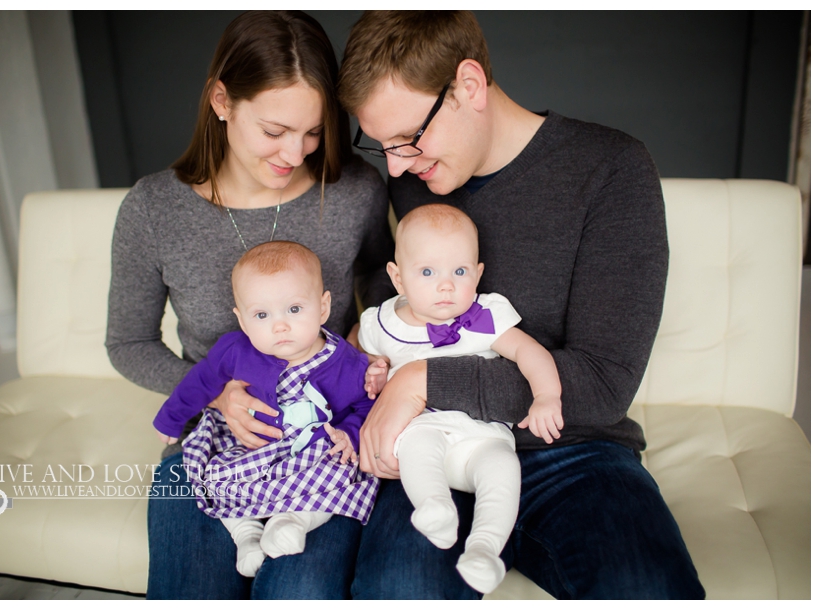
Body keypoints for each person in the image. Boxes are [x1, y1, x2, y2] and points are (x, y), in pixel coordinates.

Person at [338, 10, 705, 599]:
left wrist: (422, 380)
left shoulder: (612, 170)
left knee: (645, 588)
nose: (399, 165)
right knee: (396, 588)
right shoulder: (416, 180)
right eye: (382, 147)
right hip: (435, 443)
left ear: (469, 86)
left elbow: (605, 382)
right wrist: (379, 374)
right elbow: (390, 312)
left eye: (408, 139)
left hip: (573, 448)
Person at [106, 11, 394, 599]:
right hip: (213, 436)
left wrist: (365, 353)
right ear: (221, 101)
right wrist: (213, 391)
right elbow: (127, 343)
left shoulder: (354, 190)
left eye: (313, 131)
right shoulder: (153, 209)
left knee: (299, 592)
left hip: (321, 443)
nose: (297, 151)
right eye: (274, 130)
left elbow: (384, 291)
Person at [358, 204, 561, 594]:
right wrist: (375, 368)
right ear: (397, 278)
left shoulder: (484, 316)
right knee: (417, 446)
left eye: (460, 272)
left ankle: (484, 549)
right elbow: (366, 356)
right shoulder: (381, 322)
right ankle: (435, 508)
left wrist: (546, 396)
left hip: (481, 435)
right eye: (428, 272)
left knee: (503, 469)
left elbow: (529, 352)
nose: (446, 285)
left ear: (478, 274)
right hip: (423, 430)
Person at [153, 241, 378, 578]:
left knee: (342, 473)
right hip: (250, 445)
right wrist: (172, 416)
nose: (279, 326)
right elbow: (200, 382)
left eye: (294, 309)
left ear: (323, 307)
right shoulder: (235, 350)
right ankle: (246, 535)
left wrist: (350, 433)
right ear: (242, 320)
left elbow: (365, 404)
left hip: (310, 453)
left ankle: (292, 522)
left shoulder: (346, 362)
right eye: (261, 315)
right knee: (214, 475)